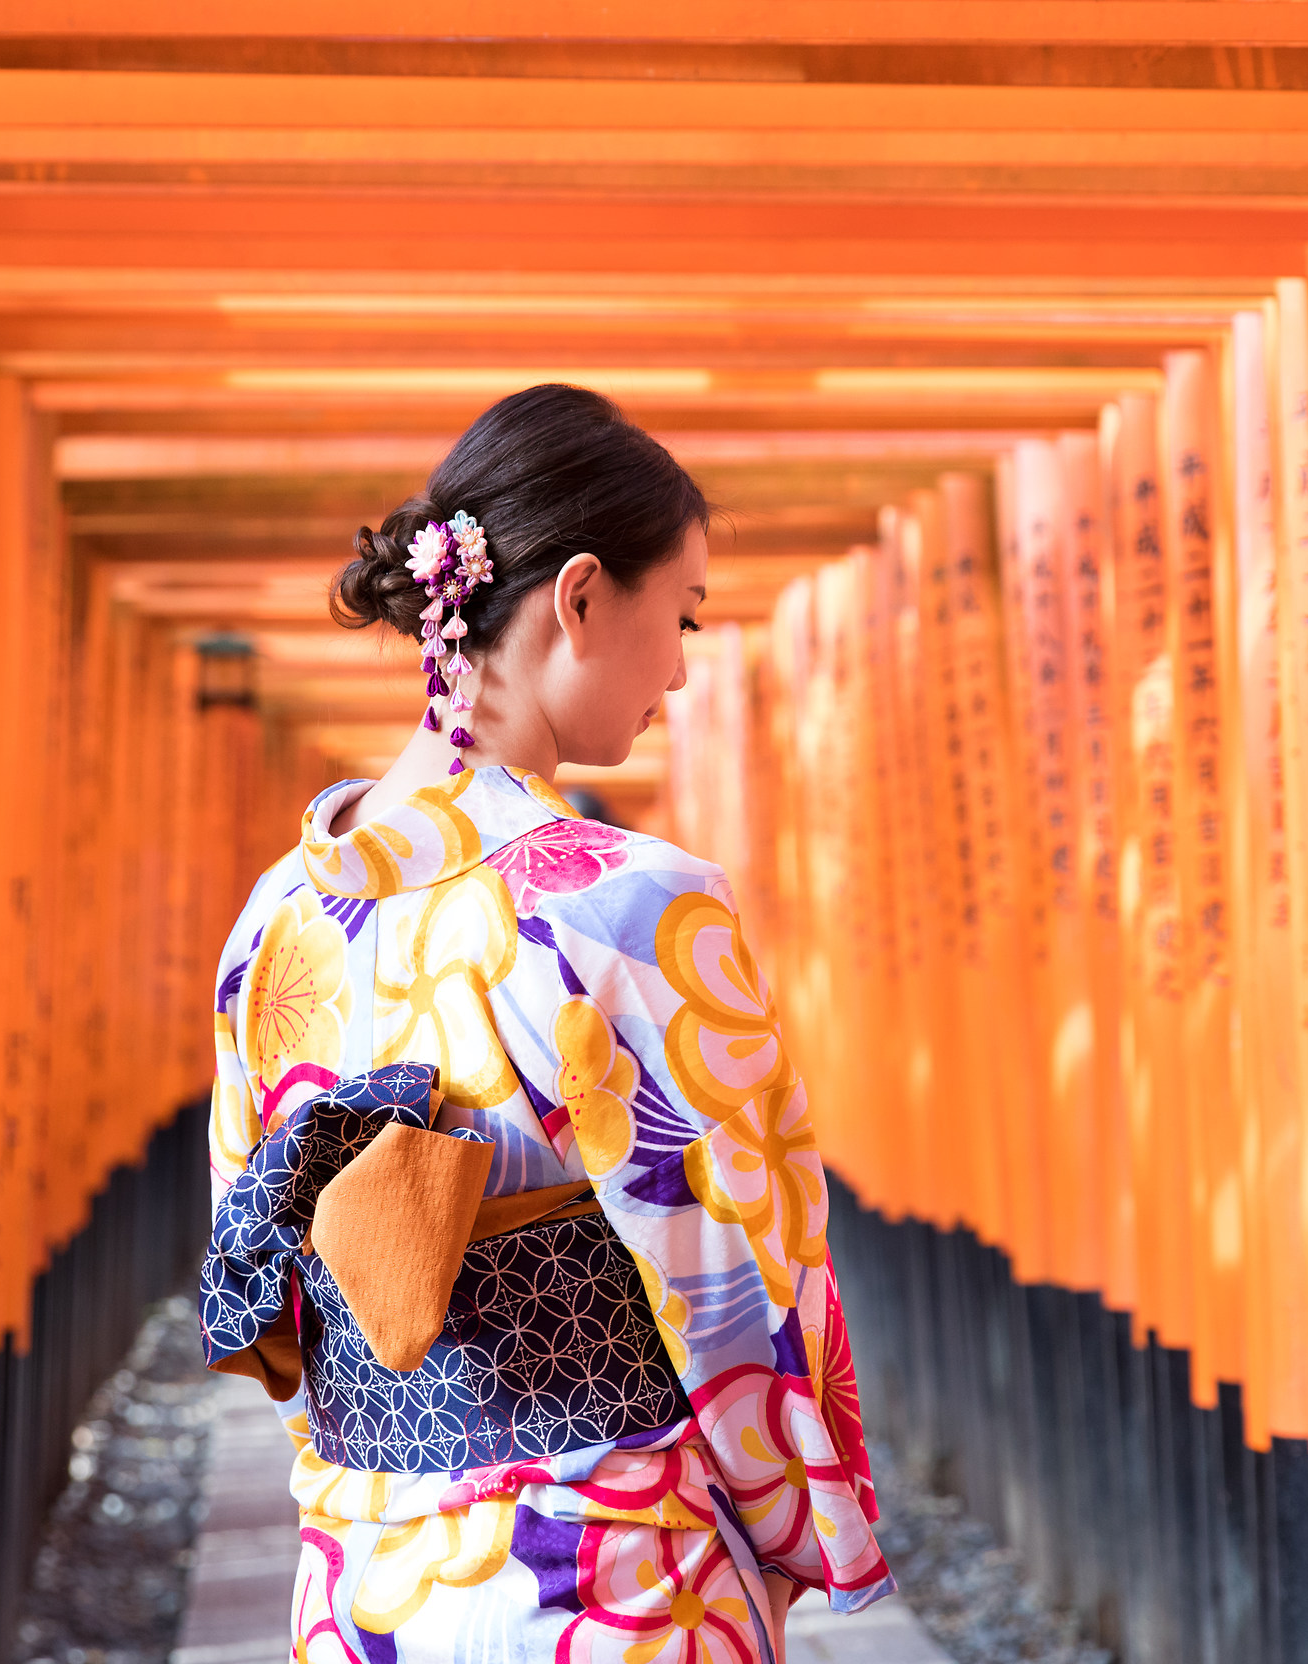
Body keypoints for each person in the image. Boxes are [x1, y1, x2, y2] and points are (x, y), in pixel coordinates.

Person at [199, 384, 891, 1661]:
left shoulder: (274, 920)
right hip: (617, 1571)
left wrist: (359, 1490)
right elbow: (745, 1271)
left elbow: (265, 1268)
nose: (680, 667)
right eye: (681, 614)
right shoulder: (626, 903)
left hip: (361, 1579)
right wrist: (801, 1529)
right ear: (579, 596)